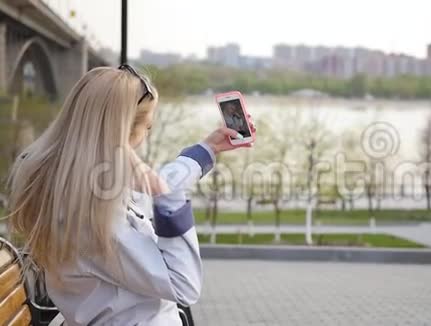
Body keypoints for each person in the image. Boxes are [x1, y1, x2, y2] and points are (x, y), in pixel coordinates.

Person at [7, 65, 255, 325]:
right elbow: (184, 285)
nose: (145, 138)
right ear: (121, 132)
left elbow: (149, 189)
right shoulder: (94, 215)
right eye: (147, 128)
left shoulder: (74, 188)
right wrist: (170, 199)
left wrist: (206, 150)